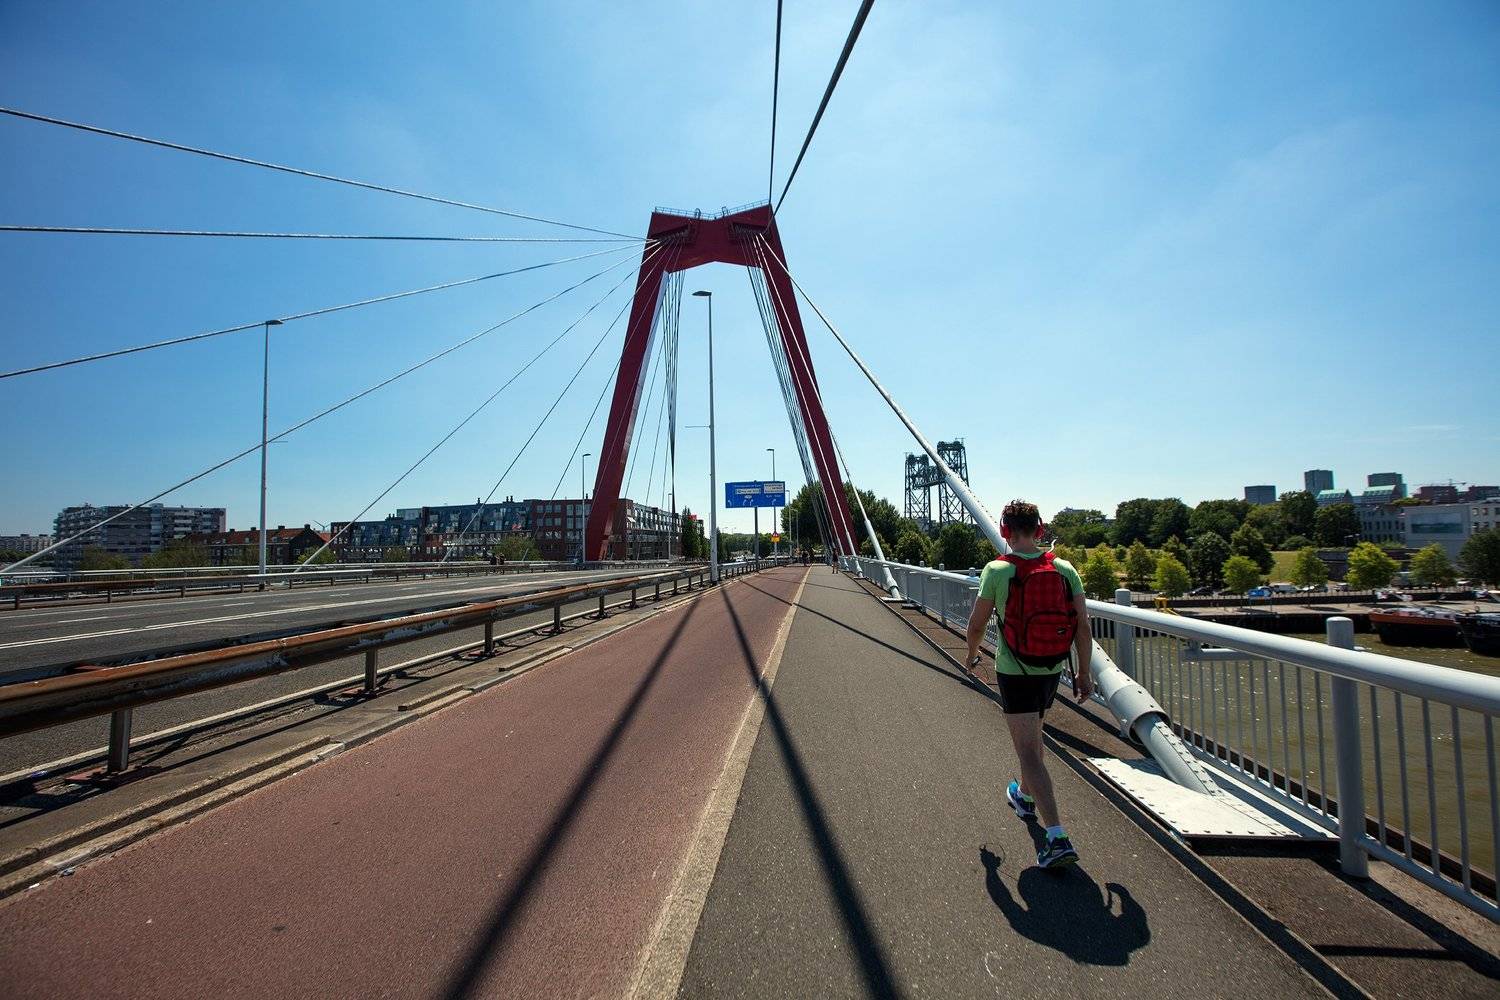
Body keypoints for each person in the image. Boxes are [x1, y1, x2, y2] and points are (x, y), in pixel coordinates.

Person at [964, 499, 1093, 869]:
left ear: (1005, 531)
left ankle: (1057, 838)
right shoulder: (1065, 568)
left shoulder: (997, 570)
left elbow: (977, 624)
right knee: (1033, 741)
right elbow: (1083, 626)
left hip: (1015, 670)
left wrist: (971, 655)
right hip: (1051, 669)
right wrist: (1084, 673)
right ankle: (1023, 795)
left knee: (1028, 752)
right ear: (1040, 530)